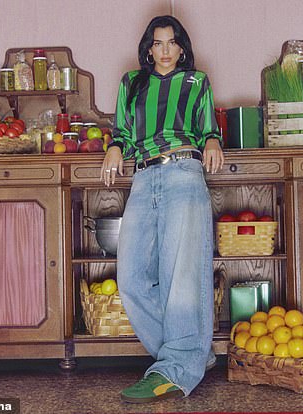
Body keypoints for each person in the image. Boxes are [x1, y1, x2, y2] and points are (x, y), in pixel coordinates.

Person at [100, 15, 224, 403]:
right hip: (142, 177)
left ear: (182, 47)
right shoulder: (131, 83)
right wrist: (115, 146)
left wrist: (213, 142)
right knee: (132, 279)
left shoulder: (196, 82)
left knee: (182, 278)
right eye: (158, 43)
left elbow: (207, 127)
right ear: (148, 48)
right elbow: (121, 130)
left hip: (184, 172)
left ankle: (173, 369)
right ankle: (193, 355)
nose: (165, 50)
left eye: (172, 43)